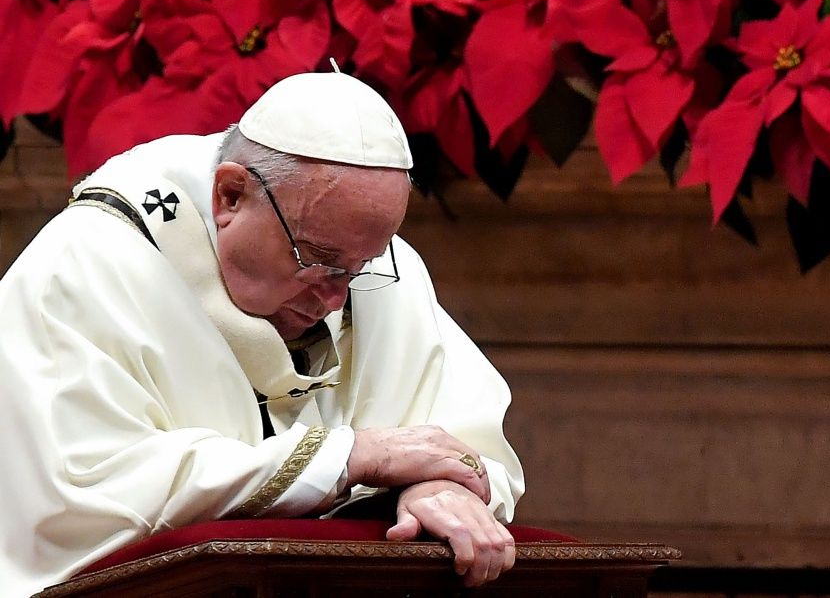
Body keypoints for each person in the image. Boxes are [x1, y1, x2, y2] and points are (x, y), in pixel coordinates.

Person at [0, 71, 524, 597]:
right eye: (316, 261)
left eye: (360, 267)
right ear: (230, 196)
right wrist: (350, 457)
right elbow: (83, 496)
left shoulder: (370, 263)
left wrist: (438, 487)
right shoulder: (84, 269)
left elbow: (465, 445)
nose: (338, 298)